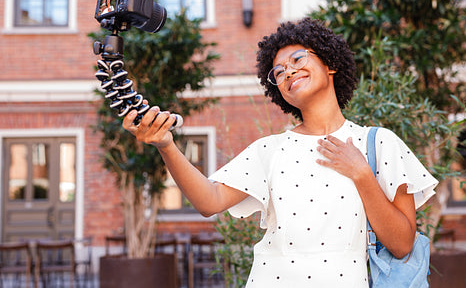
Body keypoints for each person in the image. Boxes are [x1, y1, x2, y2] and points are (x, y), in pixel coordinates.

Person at [122, 17, 438, 287]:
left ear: (329, 64)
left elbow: (401, 244)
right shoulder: (270, 150)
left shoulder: (379, 143)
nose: (287, 71)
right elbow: (209, 201)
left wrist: (361, 174)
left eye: (298, 59)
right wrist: (166, 145)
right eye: (279, 72)